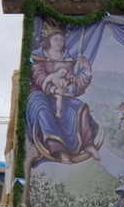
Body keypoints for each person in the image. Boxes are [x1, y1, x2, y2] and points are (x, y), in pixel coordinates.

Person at [26, 20, 101, 166]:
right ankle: (60, 151)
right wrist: (53, 89)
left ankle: (88, 144)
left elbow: (75, 84)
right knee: (42, 109)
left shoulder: (67, 61)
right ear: (49, 40)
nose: (59, 42)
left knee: (80, 107)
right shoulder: (39, 58)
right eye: (56, 39)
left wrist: (87, 70)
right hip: (40, 93)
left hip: (61, 94)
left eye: (61, 39)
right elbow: (39, 77)